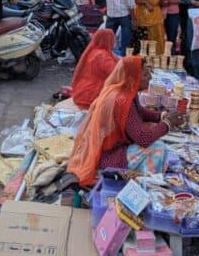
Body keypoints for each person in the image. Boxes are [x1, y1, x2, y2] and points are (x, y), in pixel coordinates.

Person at [67, 56, 182, 186]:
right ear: (132, 78)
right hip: (109, 156)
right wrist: (167, 124)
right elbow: (143, 138)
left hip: (111, 148)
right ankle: (147, 185)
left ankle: (144, 177)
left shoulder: (125, 91)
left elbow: (140, 111)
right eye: (145, 75)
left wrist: (162, 115)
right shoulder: (122, 101)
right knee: (157, 148)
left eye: (149, 73)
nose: (149, 78)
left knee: (159, 144)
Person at [70, 29, 118, 109]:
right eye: (113, 39)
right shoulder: (102, 55)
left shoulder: (95, 51)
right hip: (92, 94)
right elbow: (115, 73)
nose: (114, 41)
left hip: (83, 91)